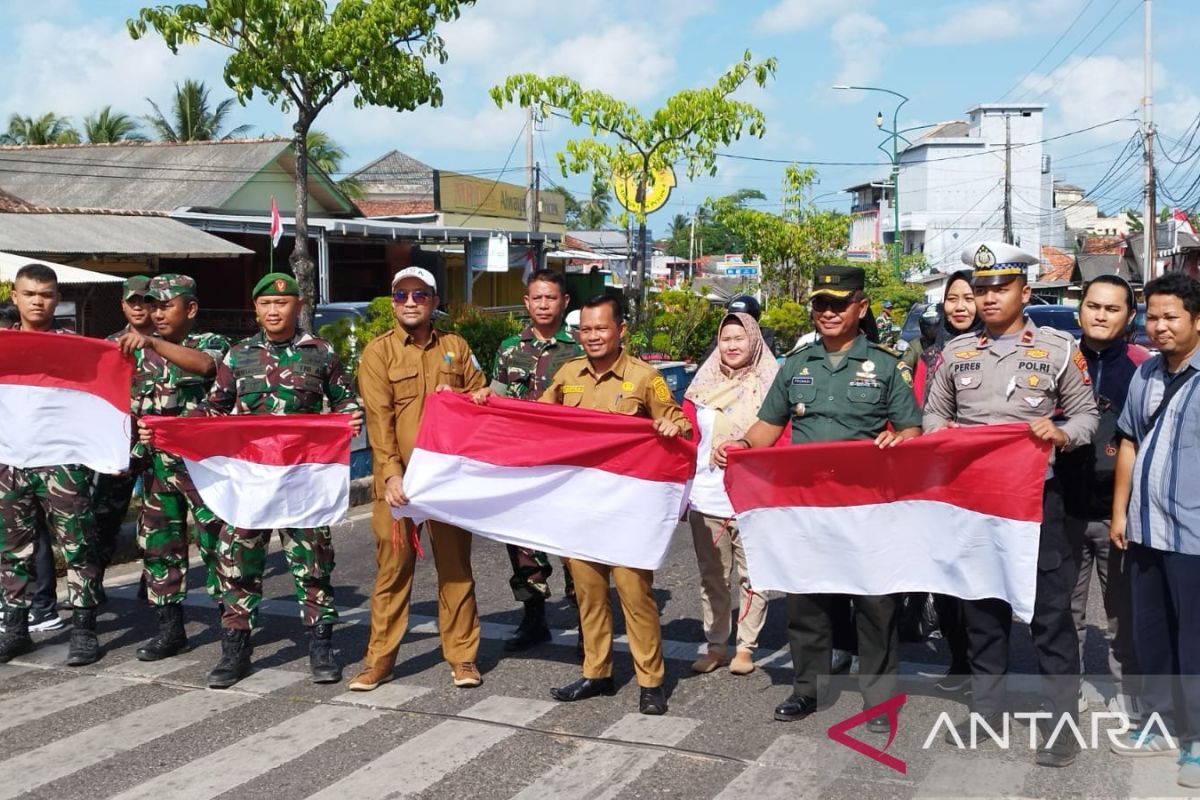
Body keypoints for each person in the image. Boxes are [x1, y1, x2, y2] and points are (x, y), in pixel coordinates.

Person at [718, 265, 922, 729]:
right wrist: (743, 448)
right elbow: (767, 427)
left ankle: (879, 699)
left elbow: (911, 429)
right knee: (807, 601)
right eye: (821, 304)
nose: (827, 312)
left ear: (861, 307)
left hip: (867, 507)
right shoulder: (797, 365)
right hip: (807, 505)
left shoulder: (887, 366)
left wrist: (901, 439)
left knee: (874, 604)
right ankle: (807, 689)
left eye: (838, 303)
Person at [923, 242, 1099, 768]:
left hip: (1036, 503)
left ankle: (1061, 723)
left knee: (1049, 616)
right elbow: (933, 417)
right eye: (981, 289)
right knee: (983, 611)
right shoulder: (956, 354)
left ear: (1025, 291)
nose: (988, 297)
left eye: (1000, 287)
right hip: (975, 503)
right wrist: (948, 435)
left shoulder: (1058, 348)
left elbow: (1087, 416)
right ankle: (987, 712)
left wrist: (1061, 433)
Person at [183, 272, 362, 688]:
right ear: (256, 309)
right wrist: (170, 426)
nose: (274, 310)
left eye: (282, 304)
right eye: (266, 304)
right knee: (239, 566)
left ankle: (321, 648)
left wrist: (351, 417)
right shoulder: (238, 355)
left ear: (297, 306)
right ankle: (236, 651)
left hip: (302, 480)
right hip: (251, 481)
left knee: (313, 566)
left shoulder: (320, 353)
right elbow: (215, 408)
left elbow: (344, 401)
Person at [536, 294, 690, 716]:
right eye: (585, 330)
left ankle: (651, 681)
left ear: (621, 330)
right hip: (580, 505)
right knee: (588, 593)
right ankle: (597, 672)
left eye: (600, 328)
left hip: (627, 508)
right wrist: (483, 402)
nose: (592, 337)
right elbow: (533, 418)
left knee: (634, 593)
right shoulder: (568, 374)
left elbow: (681, 421)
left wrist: (668, 425)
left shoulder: (644, 378)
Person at [350, 267, 486, 693]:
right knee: (392, 574)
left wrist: (478, 397)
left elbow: (480, 396)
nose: (410, 301)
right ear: (392, 301)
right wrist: (390, 474)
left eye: (420, 294)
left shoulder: (457, 348)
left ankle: (463, 658)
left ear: (434, 300)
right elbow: (379, 419)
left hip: (448, 484)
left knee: (456, 571)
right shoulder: (378, 354)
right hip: (400, 486)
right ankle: (378, 662)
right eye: (401, 295)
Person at [1108, 272, 1200, 788]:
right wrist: (1120, 512)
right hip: (1145, 529)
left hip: (1195, 536)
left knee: (1196, 640)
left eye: (1171, 317)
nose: (1158, 327)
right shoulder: (1146, 375)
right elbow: (1129, 442)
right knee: (1153, 634)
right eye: (1152, 317)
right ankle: (1161, 720)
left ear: (1196, 320)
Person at [121, 274, 230, 661]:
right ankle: (170, 630)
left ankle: (231, 630)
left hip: (203, 470)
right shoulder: (134, 350)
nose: (157, 313)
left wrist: (153, 342)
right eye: (153, 306)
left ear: (191, 308)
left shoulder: (211, 343)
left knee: (218, 546)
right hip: (156, 470)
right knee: (160, 549)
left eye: (166, 305)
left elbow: (207, 368)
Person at [0, 263, 103, 666]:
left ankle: (83, 628)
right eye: (30, 294)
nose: (38, 301)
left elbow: (97, 398)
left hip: (61, 462)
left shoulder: (76, 348)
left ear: (57, 298)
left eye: (45, 294)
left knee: (79, 545)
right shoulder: (3, 345)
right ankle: (16, 628)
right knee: (12, 549)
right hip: (11, 460)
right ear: (15, 297)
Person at [1056, 275, 1150, 718]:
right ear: (1080, 309)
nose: (1100, 315)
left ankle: (1130, 698)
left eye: (1112, 309)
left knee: (1122, 615)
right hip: (1064, 507)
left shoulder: (1144, 366)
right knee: (1065, 611)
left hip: (1121, 511)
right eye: (1093, 306)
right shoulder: (1057, 360)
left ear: (1130, 316)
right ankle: (1064, 694)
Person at [487, 269, 582, 651]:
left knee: (576, 544)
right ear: (526, 303)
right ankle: (534, 617)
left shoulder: (578, 348)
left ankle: (586, 620)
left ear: (564, 302)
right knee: (523, 541)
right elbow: (494, 398)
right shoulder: (509, 349)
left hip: (568, 463)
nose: (543, 305)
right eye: (536, 298)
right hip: (522, 461)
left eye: (551, 298)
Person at [681, 311, 777, 676]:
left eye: (739, 338)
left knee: (753, 577)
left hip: (754, 498)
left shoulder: (773, 384)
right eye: (725, 338)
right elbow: (688, 439)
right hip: (708, 496)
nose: (732, 345)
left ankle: (746, 647)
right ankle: (716, 644)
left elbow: (782, 439)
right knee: (712, 577)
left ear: (753, 340)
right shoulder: (702, 386)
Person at [913, 269, 982, 692]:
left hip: (982, 478)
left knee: (983, 574)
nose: (960, 307)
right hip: (937, 480)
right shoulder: (929, 354)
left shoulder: (998, 348)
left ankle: (986, 661)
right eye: (953, 299)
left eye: (969, 298)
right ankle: (960, 659)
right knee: (946, 576)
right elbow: (920, 412)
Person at [93, 275, 156, 592]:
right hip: (119, 443)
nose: (139, 307)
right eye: (133, 301)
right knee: (105, 514)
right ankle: (93, 581)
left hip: (158, 444)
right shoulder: (110, 344)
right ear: (122, 305)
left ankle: (155, 581)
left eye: (146, 300)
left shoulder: (168, 343)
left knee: (157, 516)